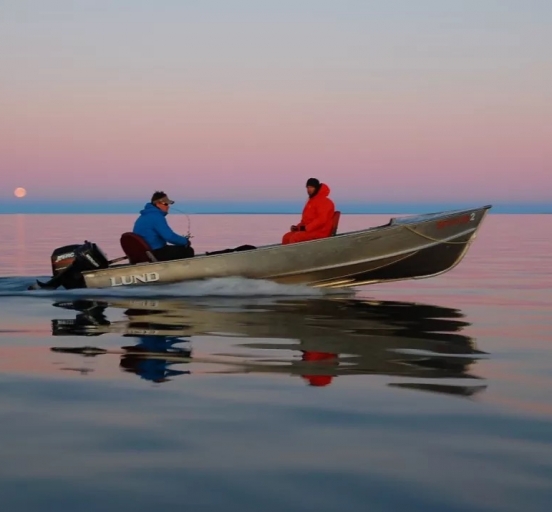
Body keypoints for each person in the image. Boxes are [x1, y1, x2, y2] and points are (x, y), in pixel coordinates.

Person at [133, 191, 195, 261]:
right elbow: (169, 237)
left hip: (146, 252)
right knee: (188, 250)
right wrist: (185, 241)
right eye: (165, 204)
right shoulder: (156, 217)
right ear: (158, 204)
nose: (168, 206)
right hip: (155, 252)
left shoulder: (143, 217)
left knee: (173, 249)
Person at [282, 178, 335, 245]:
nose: (309, 190)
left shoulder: (325, 201)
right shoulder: (311, 201)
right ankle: (286, 255)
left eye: (311, 187)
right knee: (286, 237)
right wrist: (297, 227)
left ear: (317, 188)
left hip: (320, 231)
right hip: (310, 230)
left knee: (295, 238)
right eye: (307, 187)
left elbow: (321, 220)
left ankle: (296, 255)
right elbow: (306, 220)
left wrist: (307, 228)